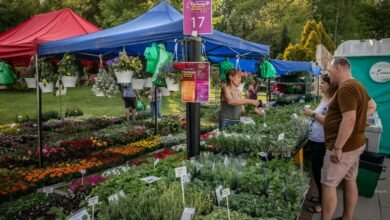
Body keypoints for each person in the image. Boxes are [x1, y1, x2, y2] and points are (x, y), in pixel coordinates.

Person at [321, 57, 377, 220]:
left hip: (343, 147)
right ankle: (347, 217)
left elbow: (349, 119)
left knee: (329, 184)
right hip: (354, 144)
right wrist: (359, 122)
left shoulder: (347, 87)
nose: (329, 75)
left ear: (338, 68)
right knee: (350, 179)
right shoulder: (357, 84)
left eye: (330, 71)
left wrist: (338, 147)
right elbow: (372, 105)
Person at [303, 73, 337, 214]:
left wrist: (312, 114)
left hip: (323, 142)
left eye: (323, 83)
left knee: (320, 172)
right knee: (316, 171)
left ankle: (323, 204)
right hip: (316, 139)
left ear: (330, 86)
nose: (320, 85)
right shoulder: (325, 99)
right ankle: (321, 198)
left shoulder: (332, 101)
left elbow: (328, 122)